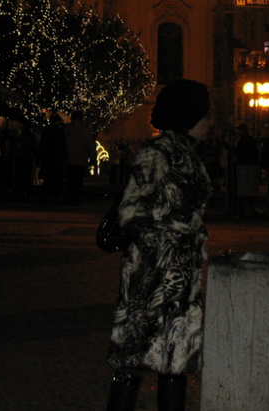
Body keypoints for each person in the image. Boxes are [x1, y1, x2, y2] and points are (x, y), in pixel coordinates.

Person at [106, 79, 212, 411]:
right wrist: (173, 238)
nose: (210, 122)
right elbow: (132, 211)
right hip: (150, 277)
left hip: (181, 279)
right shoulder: (157, 153)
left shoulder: (188, 155)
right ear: (188, 116)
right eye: (205, 115)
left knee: (175, 362)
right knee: (132, 362)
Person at [64, 110, 98, 205]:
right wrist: (92, 157)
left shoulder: (67, 130)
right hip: (80, 159)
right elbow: (90, 145)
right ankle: (76, 198)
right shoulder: (84, 131)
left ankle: (68, 197)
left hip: (69, 159)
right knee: (78, 180)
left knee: (69, 180)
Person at [37, 112, 66, 204]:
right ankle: (54, 197)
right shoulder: (59, 131)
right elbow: (63, 145)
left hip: (48, 158)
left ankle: (46, 197)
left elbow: (42, 145)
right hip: (56, 158)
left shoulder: (47, 130)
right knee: (56, 180)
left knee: (48, 180)